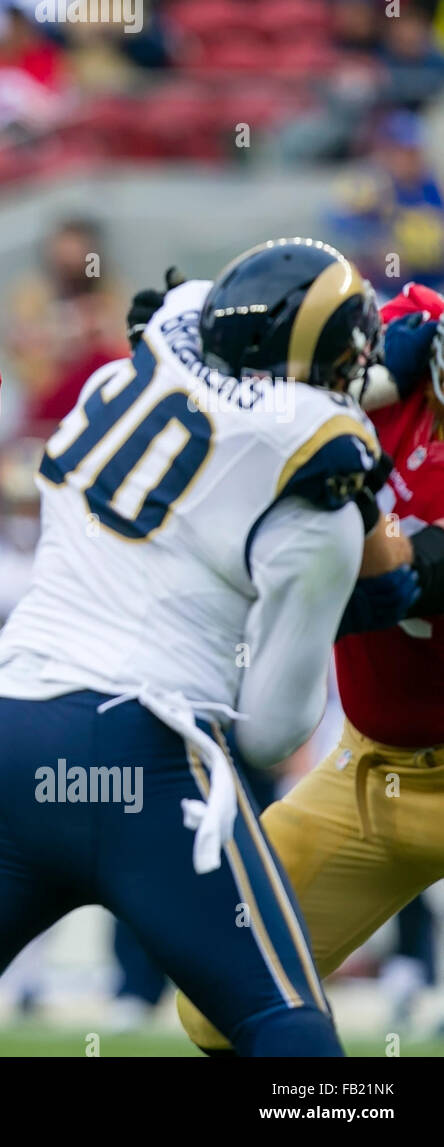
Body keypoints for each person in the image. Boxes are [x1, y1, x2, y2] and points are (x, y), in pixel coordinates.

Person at [0, 237, 392, 1057]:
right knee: (281, 1019)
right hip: (137, 749)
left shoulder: (119, 382)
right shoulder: (316, 495)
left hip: (5, 737)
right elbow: (272, 732)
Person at [177, 280, 444, 1054]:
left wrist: (337, 434)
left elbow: (398, 583)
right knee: (220, 999)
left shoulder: (380, 383)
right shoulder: (399, 339)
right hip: (372, 771)